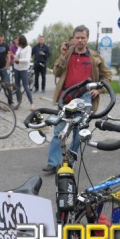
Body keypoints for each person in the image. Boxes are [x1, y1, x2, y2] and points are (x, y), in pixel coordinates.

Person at [43, 25, 112, 173]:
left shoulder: (95, 57)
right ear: (73, 38)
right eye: (77, 37)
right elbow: (56, 72)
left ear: (87, 39)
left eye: (83, 37)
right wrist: (62, 55)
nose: (80, 40)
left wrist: (99, 89)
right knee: (59, 131)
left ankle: (70, 161)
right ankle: (53, 163)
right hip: (66, 98)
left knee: (78, 134)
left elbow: (108, 76)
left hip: (84, 99)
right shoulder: (67, 54)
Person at [13, 35, 34, 110]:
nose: (16, 41)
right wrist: (14, 57)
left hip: (23, 69)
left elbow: (27, 59)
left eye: (17, 40)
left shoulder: (28, 48)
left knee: (26, 86)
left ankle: (31, 103)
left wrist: (18, 60)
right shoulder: (19, 47)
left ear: (21, 41)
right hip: (16, 68)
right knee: (17, 86)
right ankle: (18, 102)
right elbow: (16, 55)